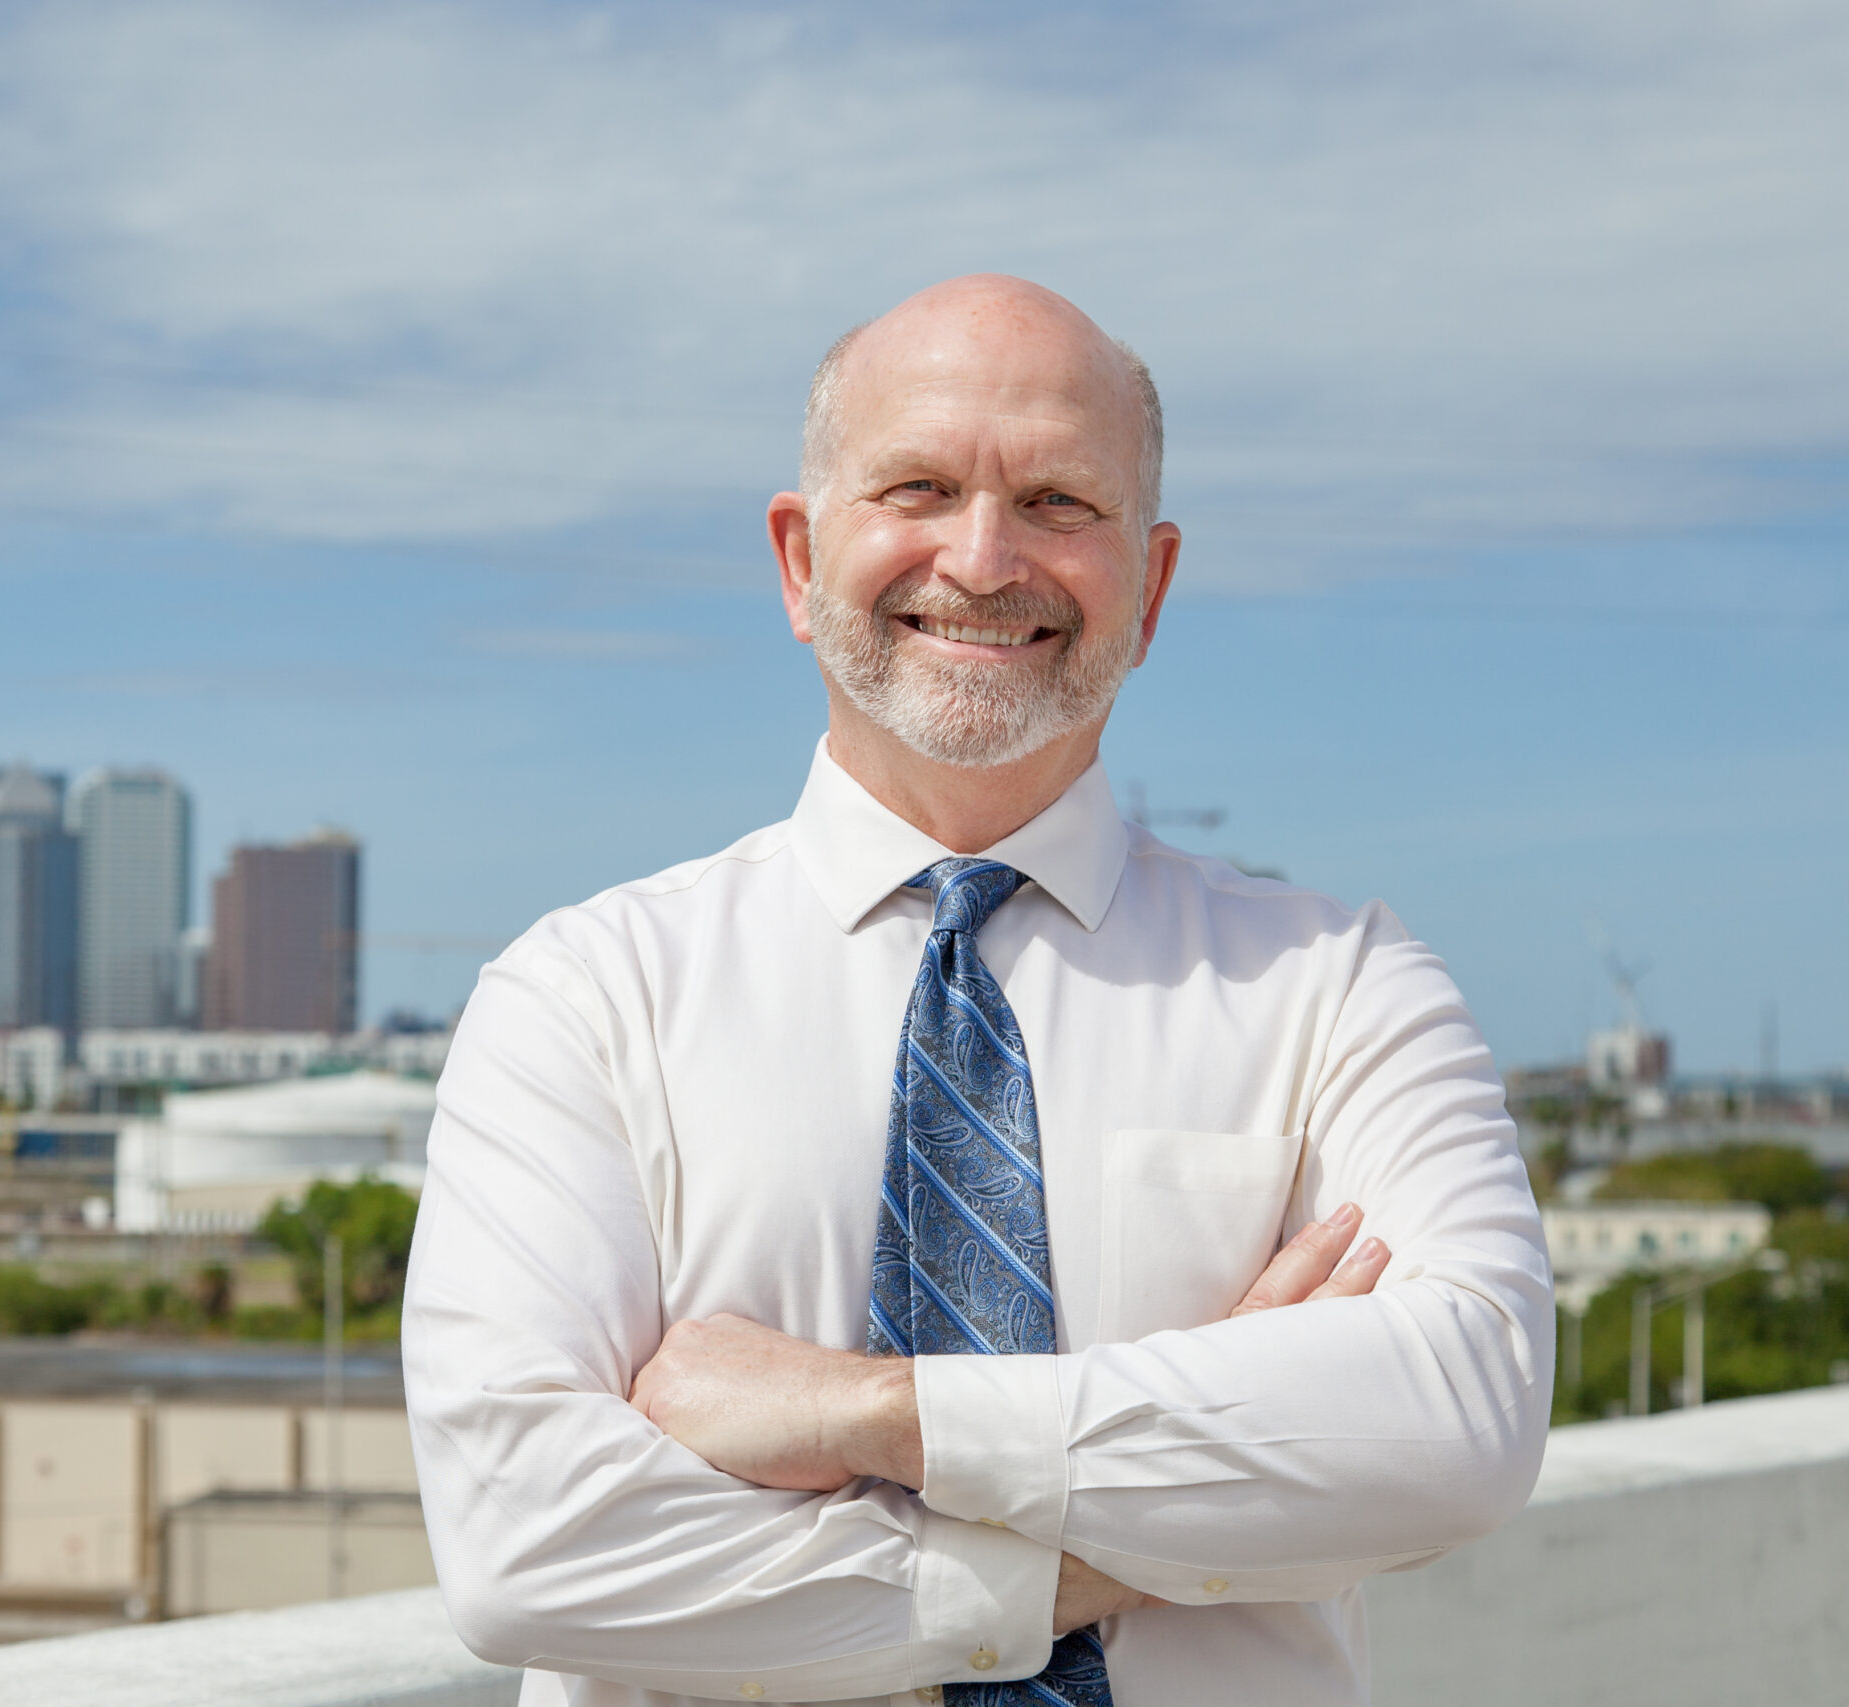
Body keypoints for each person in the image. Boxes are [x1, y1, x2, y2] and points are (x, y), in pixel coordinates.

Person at [402, 275, 1551, 1707]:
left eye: (1063, 502)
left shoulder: (1341, 989)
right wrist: (1121, 1532)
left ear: (1154, 585)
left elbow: (1459, 1427)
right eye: (920, 486)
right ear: (796, 559)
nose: (985, 556)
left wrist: (869, 1414)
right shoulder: (582, 998)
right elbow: (528, 1545)